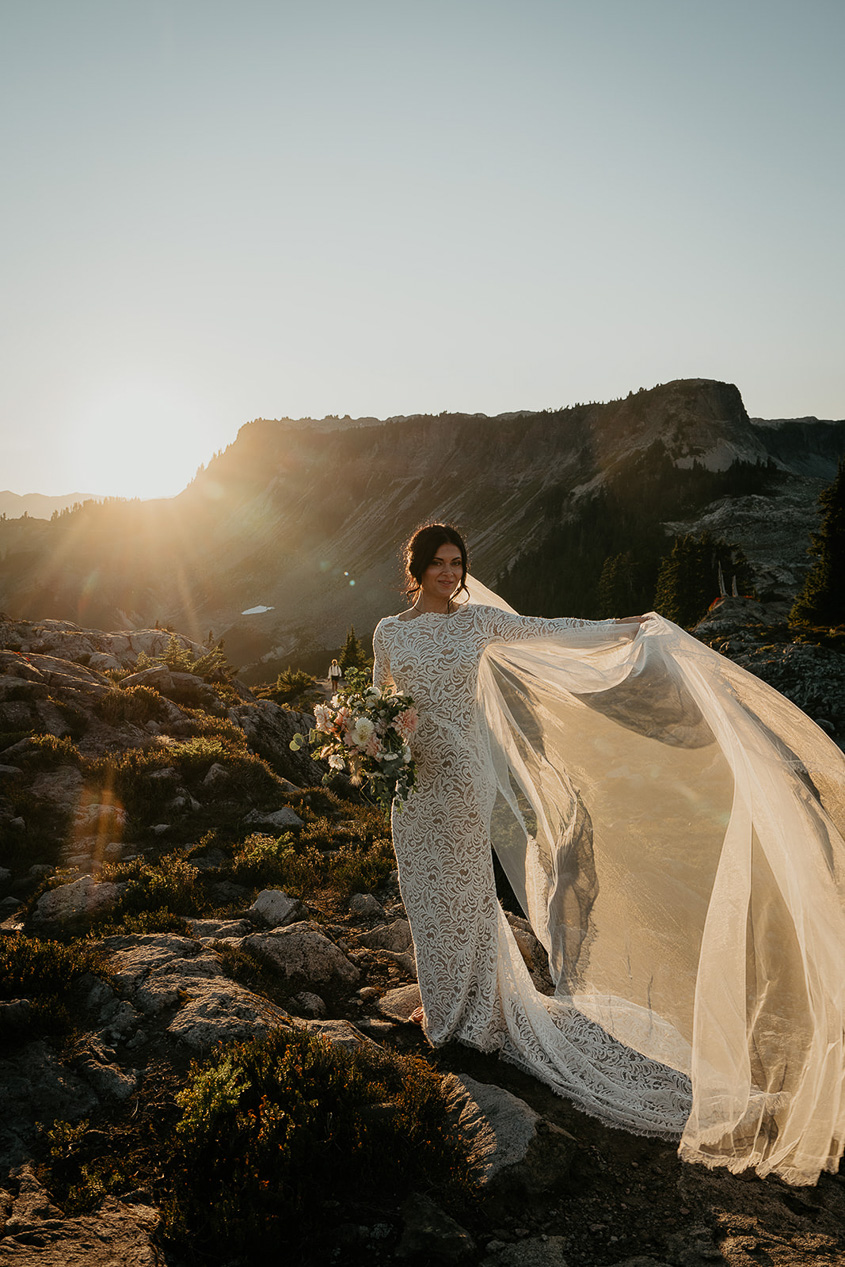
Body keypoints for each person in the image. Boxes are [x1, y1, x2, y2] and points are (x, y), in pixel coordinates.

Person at [372, 522, 845, 1186]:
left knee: (466, 895)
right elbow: (379, 703)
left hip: (462, 782)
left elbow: (550, 628)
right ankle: (443, 994)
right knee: (425, 895)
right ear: (415, 568)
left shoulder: (478, 623)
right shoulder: (388, 632)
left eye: (457, 562)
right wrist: (371, 738)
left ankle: (469, 1012)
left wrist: (628, 625)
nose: (450, 572)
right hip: (412, 788)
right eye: (439, 563)